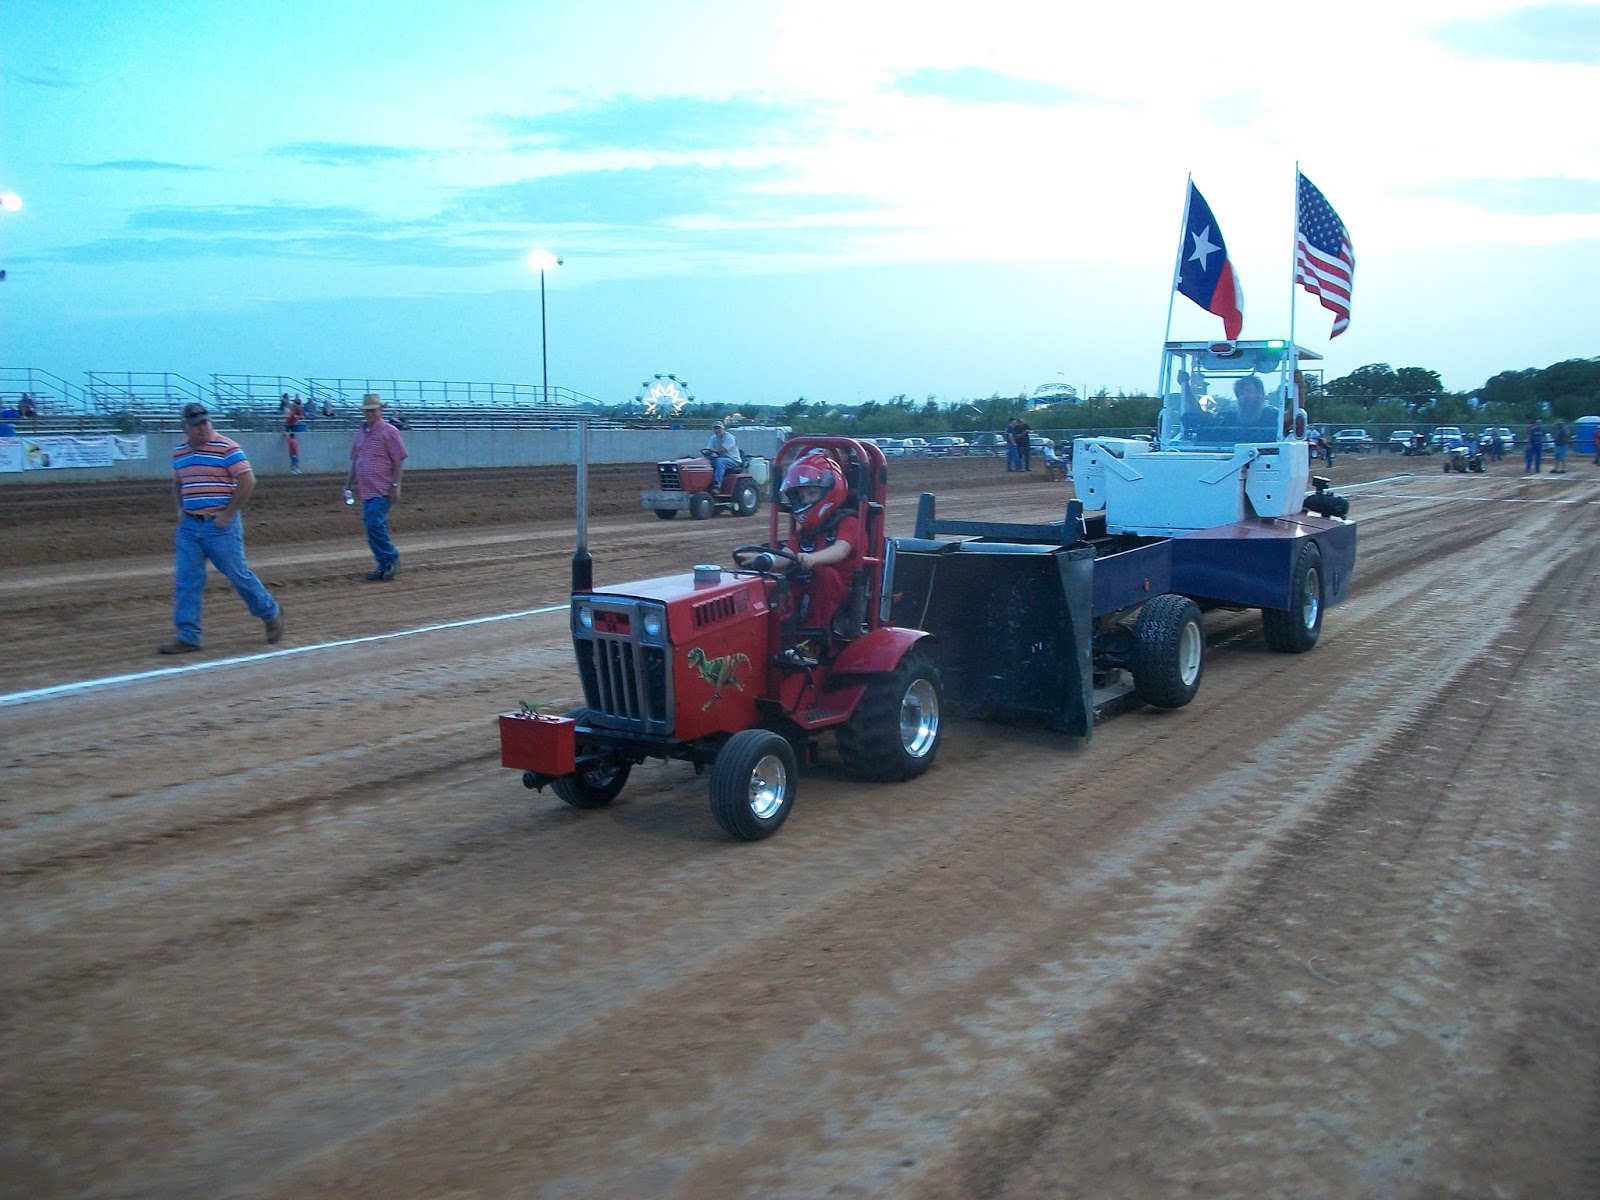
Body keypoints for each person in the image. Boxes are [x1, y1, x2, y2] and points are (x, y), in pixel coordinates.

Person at [158, 402, 283, 654]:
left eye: (205, 422)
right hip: (190, 527)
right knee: (187, 580)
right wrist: (180, 509)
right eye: (196, 425)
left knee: (238, 575)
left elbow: (247, 481)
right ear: (185, 428)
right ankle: (188, 635)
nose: (203, 428)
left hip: (220, 526)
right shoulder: (179, 454)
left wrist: (228, 514)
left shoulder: (228, 448)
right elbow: (177, 483)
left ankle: (270, 613)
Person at [734, 450, 858, 662]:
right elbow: (788, 555)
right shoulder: (805, 531)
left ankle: (812, 643)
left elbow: (842, 549)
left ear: (829, 491)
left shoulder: (848, 522)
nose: (806, 499)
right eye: (802, 496)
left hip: (841, 590)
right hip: (807, 582)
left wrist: (814, 559)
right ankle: (776, 637)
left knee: (825, 575)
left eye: (812, 494)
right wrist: (763, 559)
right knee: (779, 583)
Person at [344, 393, 408, 581]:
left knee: (373, 523)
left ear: (380, 410)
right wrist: (347, 484)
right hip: (367, 490)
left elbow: (399, 459)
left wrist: (395, 485)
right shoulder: (361, 433)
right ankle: (383, 564)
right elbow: (355, 461)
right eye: (367, 411)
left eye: (373, 410)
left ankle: (391, 558)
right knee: (373, 526)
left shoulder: (389, 432)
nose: (370, 413)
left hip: (382, 488)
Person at [703, 421, 740, 491]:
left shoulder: (730, 438)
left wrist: (719, 439)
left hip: (733, 460)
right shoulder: (713, 438)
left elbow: (722, 450)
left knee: (720, 461)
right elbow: (708, 449)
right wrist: (707, 453)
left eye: (719, 428)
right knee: (706, 462)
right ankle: (705, 484)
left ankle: (717, 485)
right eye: (715, 429)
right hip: (720, 458)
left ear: (723, 429)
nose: (717, 431)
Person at [283, 393, 305, 475]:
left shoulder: (292, 441)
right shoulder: (294, 412)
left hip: (291, 424)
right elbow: (296, 416)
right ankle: (294, 470)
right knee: (294, 461)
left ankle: (295, 470)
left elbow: (300, 416)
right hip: (290, 424)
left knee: (295, 461)